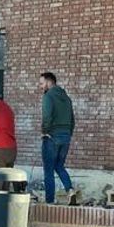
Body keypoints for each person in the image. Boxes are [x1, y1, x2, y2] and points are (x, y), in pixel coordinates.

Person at [38, 72, 76, 205]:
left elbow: (47, 116)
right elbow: (72, 119)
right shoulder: (66, 98)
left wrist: (45, 132)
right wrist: (68, 133)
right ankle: (70, 190)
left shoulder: (48, 96)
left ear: (49, 82)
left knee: (48, 169)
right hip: (65, 136)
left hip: (52, 136)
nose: (41, 86)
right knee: (59, 165)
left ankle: (49, 201)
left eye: (42, 83)